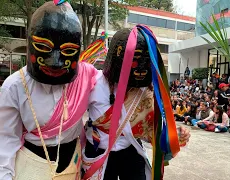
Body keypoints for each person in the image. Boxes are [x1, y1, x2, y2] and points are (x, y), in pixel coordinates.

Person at [0, 1, 99, 180]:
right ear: (30, 42)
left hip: (72, 164)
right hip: (32, 166)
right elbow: (3, 146)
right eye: (43, 47)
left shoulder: (88, 77)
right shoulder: (15, 86)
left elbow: (115, 88)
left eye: (68, 50)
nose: (54, 62)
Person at [81, 26, 190, 180]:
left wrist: (172, 135)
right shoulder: (95, 82)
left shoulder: (147, 90)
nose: (140, 69)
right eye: (134, 59)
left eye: (146, 62)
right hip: (99, 150)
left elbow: (150, 129)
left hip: (130, 148)